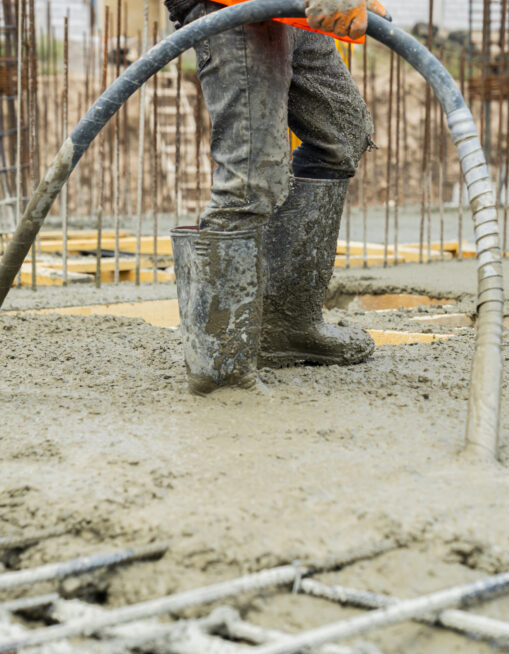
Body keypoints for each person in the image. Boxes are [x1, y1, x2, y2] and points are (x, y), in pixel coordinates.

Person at [165, 0, 390, 394]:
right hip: (236, 4)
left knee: (340, 134)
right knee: (251, 175)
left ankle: (286, 326)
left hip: (293, 11)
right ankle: (220, 369)